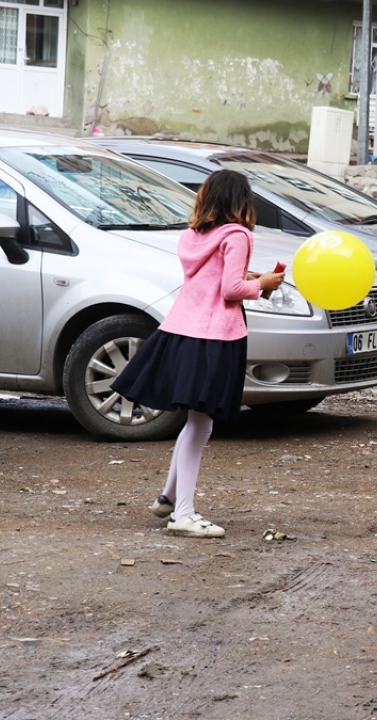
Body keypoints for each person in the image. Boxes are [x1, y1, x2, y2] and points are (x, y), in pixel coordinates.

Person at [112, 170, 285, 538]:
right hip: (214, 337)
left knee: (195, 422)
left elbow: (213, 277)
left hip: (180, 331)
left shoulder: (191, 236)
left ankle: (170, 498)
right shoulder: (238, 235)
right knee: (201, 424)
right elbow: (230, 288)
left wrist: (251, 278)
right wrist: (263, 283)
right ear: (241, 200)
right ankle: (183, 514)